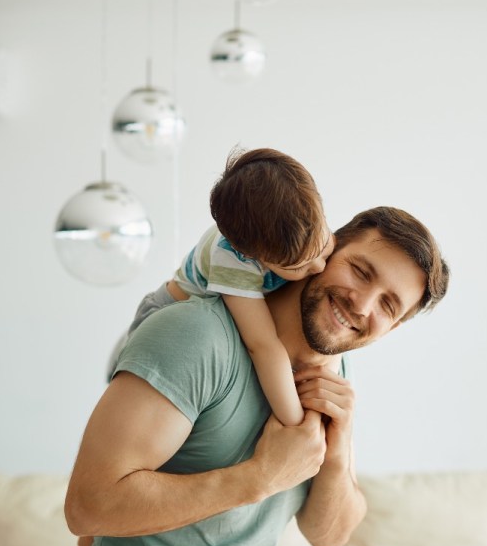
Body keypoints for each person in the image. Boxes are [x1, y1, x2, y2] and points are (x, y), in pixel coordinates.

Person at [65, 206, 450, 546]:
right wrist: (260, 477)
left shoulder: (335, 373)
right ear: (328, 249)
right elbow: (89, 506)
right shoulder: (197, 336)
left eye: (387, 304)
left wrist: (336, 450)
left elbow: (329, 537)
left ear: (393, 327)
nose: (362, 304)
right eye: (361, 272)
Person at [118, 147, 334, 427]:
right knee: (140, 415)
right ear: (256, 258)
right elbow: (263, 346)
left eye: (324, 246)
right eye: (297, 268)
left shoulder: (303, 225)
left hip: (215, 318)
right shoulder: (233, 261)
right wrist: (297, 424)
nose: (318, 267)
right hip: (165, 316)